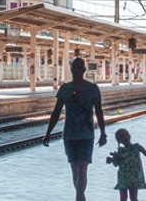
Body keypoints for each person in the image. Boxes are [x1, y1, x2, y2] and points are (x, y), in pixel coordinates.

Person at [44, 57, 108, 201]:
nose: (77, 70)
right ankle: (80, 197)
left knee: (83, 167)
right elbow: (56, 112)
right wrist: (48, 132)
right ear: (71, 69)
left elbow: (99, 112)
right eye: (75, 67)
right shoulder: (65, 89)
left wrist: (103, 133)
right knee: (75, 168)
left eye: (80, 68)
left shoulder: (92, 89)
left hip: (87, 134)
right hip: (70, 135)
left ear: (84, 70)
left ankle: (79, 197)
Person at [106, 128, 146, 201]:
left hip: (134, 177)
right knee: (123, 198)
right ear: (119, 141)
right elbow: (116, 164)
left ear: (129, 136)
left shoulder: (137, 147)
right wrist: (114, 158)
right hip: (123, 177)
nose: (125, 137)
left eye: (126, 135)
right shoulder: (120, 151)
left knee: (133, 198)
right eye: (122, 137)